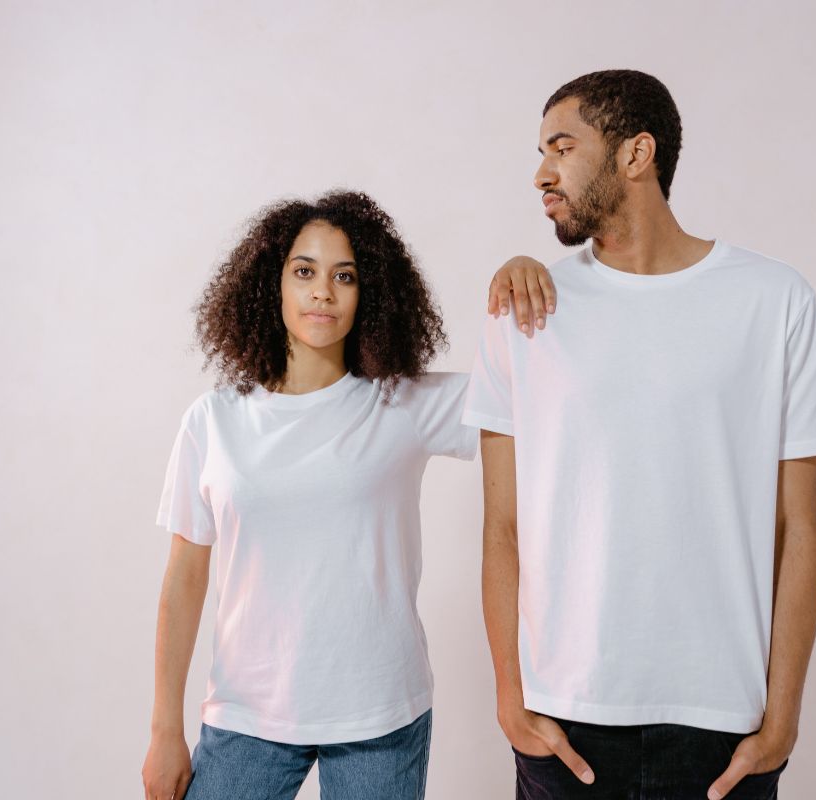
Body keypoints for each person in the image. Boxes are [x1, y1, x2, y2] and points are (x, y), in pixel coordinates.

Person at [466, 70, 816, 799]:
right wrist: (511, 700)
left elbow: (797, 526)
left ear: (635, 154)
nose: (541, 173)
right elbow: (502, 527)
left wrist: (784, 716)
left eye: (562, 147)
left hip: (721, 726)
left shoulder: (774, 302)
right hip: (564, 722)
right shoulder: (521, 310)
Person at [141, 190, 553, 800]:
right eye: (304, 271)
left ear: (371, 294)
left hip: (380, 715)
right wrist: (164, 732)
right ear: (269, 284)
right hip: (247, 715)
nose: (322, 292)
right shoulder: (214, 420)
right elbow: (183, 580)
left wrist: (522, 277)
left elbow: (542, 397)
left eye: (345, 276)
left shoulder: (403, 404)